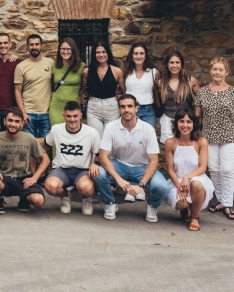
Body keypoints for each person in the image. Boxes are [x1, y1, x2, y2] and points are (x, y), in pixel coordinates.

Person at [93, 94, 169, 222]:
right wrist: (118, 179)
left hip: (142, 167)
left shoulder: (148, 129)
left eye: (130, 106)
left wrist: (140, 185)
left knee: (161, 186)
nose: (126, 110)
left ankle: (152, 205)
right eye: (123, 107)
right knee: (98, 173)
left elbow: (153, 161)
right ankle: (110, 203)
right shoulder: (111, 127)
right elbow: (103, 156)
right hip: (119, 165)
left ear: (136, 108)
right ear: (119, 110)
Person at [195, 57, 234, 221]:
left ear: (226, 72)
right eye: (214, 69)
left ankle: (227, 204)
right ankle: (221, 201)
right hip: (209, 136)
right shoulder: (203, 92)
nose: (217, 72)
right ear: (210, 71)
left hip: (230, 136)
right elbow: (197, 116)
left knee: (226, 169)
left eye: (220, 69)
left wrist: (231, 121)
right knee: (214, 170)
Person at [0, 108, 50, 214]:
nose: (13, 124)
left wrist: (35, 177)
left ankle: (24, 199)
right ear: (4, 121)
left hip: (23, 179)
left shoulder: (29, 138)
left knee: (38, 201)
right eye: (10, 120)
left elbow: (46, 159)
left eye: (17, 121)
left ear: (22, 123)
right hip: (3, 178)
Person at [43, 101, 101, 216]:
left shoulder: (91, 132)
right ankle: (65, 196)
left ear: (80, 115)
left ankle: (86, 199)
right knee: (50, 186)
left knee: (86, 188)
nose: (72, 119)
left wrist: (95, 163)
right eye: (69, 116)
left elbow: (99, 153)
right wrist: (46, 163)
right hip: (62, 169)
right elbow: (46, 145)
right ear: (64, 116)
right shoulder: (56, 130)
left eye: (75, 116)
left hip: (82, 170)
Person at [164, 109, 215, 231]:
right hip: (177, 180)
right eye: (181, 121)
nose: (185, 125)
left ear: (194, 124)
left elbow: (203, 167)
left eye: (189, 122)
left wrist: (187, 177)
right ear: (176, 123)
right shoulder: (170, 143)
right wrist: (179, 185)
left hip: (197, 178)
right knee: (182, 203)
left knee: (196, 185)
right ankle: (184, 209)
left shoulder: (201, 142)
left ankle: (194, 216)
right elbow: (170, 169)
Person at [14, 33, 54, 139]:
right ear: (27, 47)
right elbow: (17, 91)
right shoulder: (21, 66)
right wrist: (23, 112)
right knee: (29, 145)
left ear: (41, 46)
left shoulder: (51, 63)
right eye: (31, 45)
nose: (34, 47)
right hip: (29, 113)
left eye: (37, 44)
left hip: (46, 112)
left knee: (46, 144)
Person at [157, 50, 200, 143]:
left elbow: (201, 100)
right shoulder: (161, 83)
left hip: (186, 120)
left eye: (177, 62)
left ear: (182, 65)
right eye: (171, 62)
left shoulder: (191, 81)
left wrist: (196, 116)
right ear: (167, 65)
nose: (174, 65)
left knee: (186, 146)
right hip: (167, 119)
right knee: (169, 148)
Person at [83, 41, 125, 137]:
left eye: (104, 52)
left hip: (111, 107)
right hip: (93, 107)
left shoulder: (117, 71)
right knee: (95, 138)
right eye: (98, 52)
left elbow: (123, 90)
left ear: (108, 53)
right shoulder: (87, 71)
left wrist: (111, 92)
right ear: (94, 54)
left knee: (110, 137)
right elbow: (82, 89)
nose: (101, 55)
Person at [48, 37, 86, 128]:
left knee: (72, 134)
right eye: (63, 49)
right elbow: (51, 86)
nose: (65, 52)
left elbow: (83, 89)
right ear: (59, 50)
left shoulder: (81, 67)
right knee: (56, 133)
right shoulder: (54, 66)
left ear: (73, 50)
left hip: (73, 108)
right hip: (56, 107)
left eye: (68, 49)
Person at [124, 42, 159, 129]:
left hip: (148, 110)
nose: (138, 56)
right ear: (131, 55)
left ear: (145, 55)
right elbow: (123, 89)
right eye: (136, 53)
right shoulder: (126, 72)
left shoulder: (153, 72)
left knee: (149, 138)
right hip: (130, 109)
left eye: (141, 53)